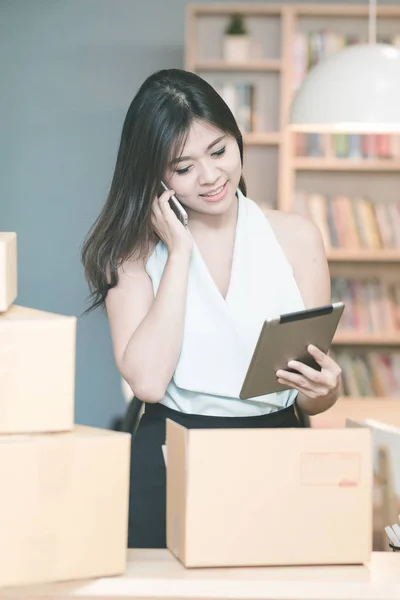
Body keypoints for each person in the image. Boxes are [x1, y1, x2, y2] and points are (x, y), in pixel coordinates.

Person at [81, 68, 342, 549]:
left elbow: (309, 395)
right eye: (183, 168)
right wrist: (178, 254)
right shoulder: (132, 255)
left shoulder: (298, 236)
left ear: (236, 139)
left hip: (277, 457)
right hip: (170, 457)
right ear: (155, 175)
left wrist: (325, 389)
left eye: (219, 151)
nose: (211, 177)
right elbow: (148, 382)